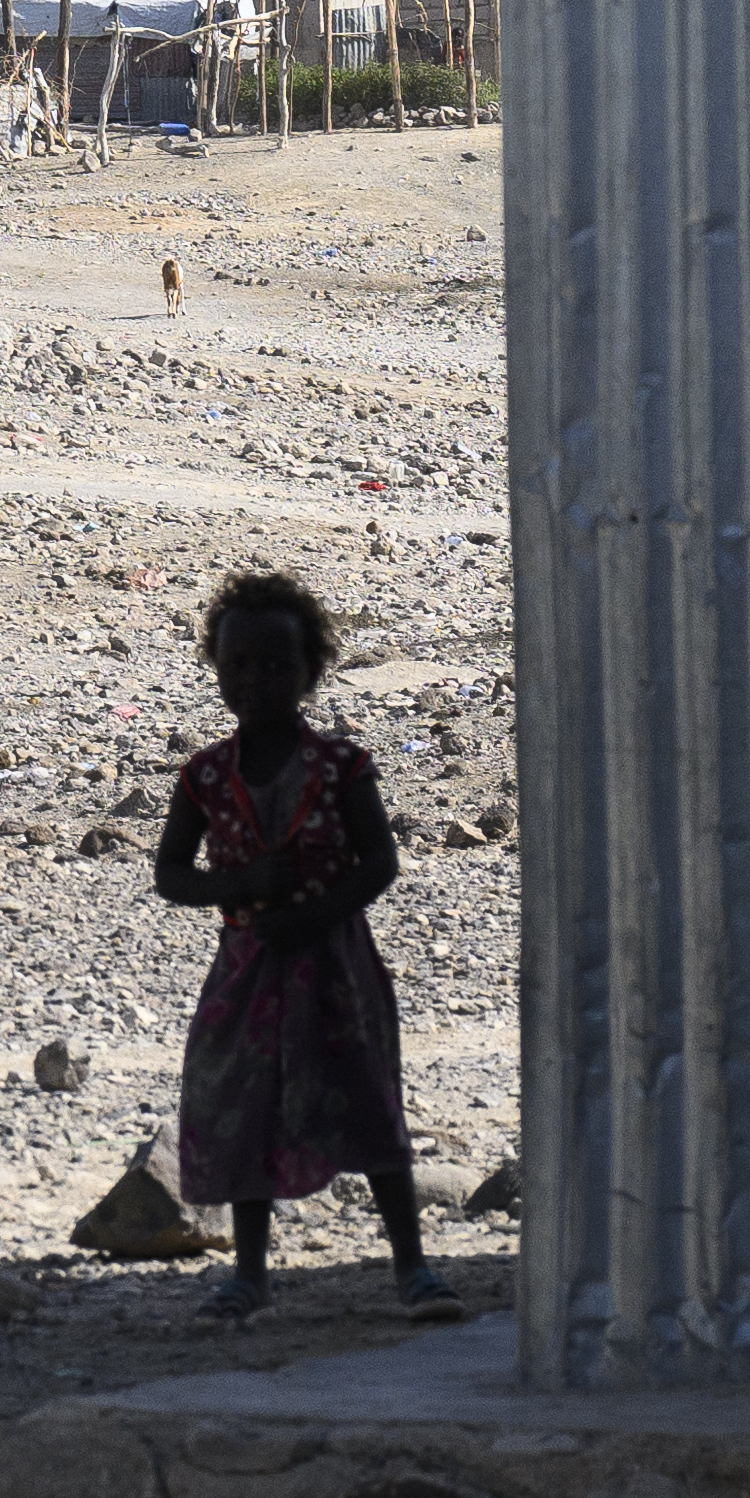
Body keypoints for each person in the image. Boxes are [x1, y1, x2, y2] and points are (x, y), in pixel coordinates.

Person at [151, 564, 456, 1316]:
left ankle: (412, 1268)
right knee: (247, 1107)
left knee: (369, 1105)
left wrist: (317, 913)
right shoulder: (204, 776)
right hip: (248, 971)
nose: (256, 679)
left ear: (311, 671)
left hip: (335, 966)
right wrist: (244, 884)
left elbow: (380, 860)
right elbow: (170, 874)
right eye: (239, 665)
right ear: (215, 670)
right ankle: (249, 1275)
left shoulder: (343, 766)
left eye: (276, 664)